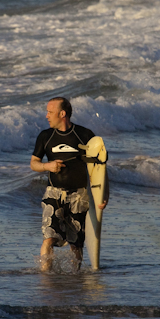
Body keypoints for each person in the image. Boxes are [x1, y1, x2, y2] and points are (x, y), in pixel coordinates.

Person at [30, 97, 109, 271]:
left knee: (76, 243)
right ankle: (45, 278)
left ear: (62, 113)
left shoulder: (85, 135)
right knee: (49, 238)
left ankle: (75, 278)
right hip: (54, 194)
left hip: (79, 196)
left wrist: (103, 196)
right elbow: (34, 163)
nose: (46, 116)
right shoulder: (45, 136)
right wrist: (47, 166)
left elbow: (100, 169)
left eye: (50, 112)